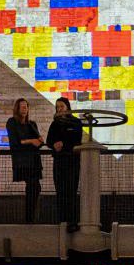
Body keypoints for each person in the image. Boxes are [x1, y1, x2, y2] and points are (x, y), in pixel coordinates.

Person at [47, 96, 85, 229]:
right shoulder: (55, 124)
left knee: (71, 191)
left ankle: (72, 222)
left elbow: (76, 140)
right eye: (57, 107)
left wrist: (63, 144)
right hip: (59, 161)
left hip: (72, 161)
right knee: (60, 192)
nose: (59, 109)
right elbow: (49, 140)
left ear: (68, 107)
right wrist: (54, 145)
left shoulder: (76, 123)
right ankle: (62, 221)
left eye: (61, 106)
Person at [6, 99, 44, 223]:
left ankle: (30, 217)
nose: (24, 109)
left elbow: (38, 142)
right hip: (22, 161)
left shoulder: (31, 124)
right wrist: (31, 141)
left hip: (34, 160)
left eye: (26, 107)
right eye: (22, 107)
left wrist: (35, 141)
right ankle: (29, 218)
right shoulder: (12, 122)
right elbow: (15, 142)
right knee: (33, 186)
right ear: (17, 108)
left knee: (35, 187)